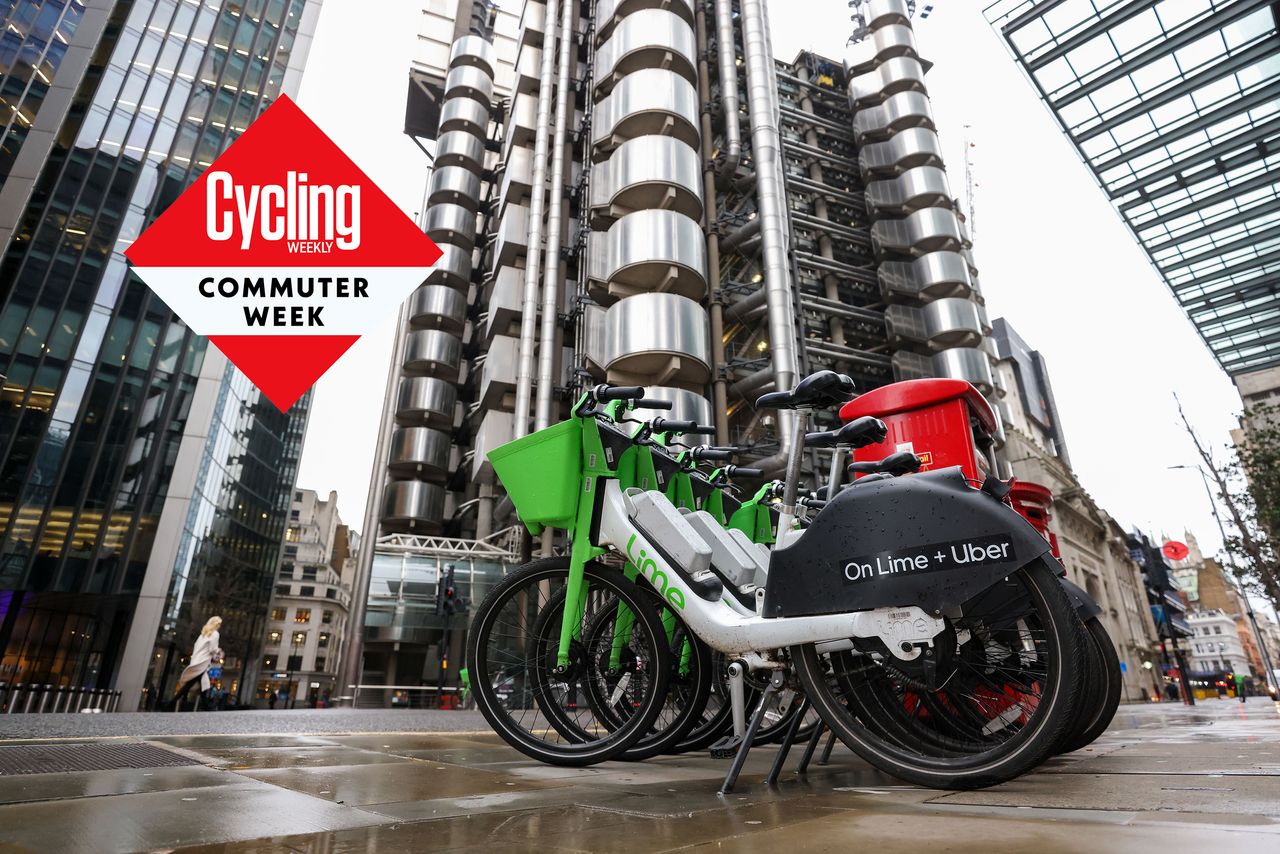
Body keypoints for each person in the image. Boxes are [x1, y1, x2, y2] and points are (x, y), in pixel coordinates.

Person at [171, 616, 222, 711]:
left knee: (203, 684)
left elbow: (196, 647)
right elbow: (212, 649)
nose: (219, 626)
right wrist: (219, 651)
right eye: (219, 624)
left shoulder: (203, 634)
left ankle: (206, 706)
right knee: (190, 685)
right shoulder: (215, 634)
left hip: (197, 660)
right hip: (202, 662)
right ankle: (171, 703)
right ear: (216, 624)